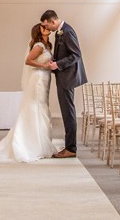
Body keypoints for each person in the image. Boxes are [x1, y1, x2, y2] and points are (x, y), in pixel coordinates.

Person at [0, 24, 58, 163]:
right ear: (39, 31)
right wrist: (44, 66)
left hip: (45, 78)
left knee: (42, 107)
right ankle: (32, 143)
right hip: (38, 79)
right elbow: (28, 60)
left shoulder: (47, 45)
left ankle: (40, 141)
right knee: (35, 107)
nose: (47, 29)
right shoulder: (39, 46)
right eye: (44, 28)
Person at [40, 9, 87, 158]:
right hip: (63, 76)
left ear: (53, 22)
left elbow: (76, 55)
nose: (47, 29)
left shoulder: (66, 31)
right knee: (67, 112)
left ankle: (71, 148)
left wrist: (58, 64)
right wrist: (54, 61)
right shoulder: (61, 31)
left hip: (67, 78)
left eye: (47, 26)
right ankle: (69, 146)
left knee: (68, 113)